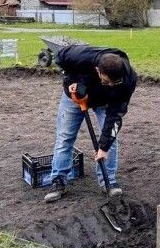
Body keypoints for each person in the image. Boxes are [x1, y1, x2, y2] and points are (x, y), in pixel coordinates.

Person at [44, 45, 138, 203]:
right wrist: (73, 84)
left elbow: (116, 116)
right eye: (106, 81)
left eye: (115, 83)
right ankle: (58, 181)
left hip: (105, 103)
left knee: (110, 141)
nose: (110, 85)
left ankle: (108, 181)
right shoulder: (81, 56)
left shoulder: (128, 80)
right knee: (65, 137)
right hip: (76, 98)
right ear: (98, 71)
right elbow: (61, 59)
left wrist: (103, 147)